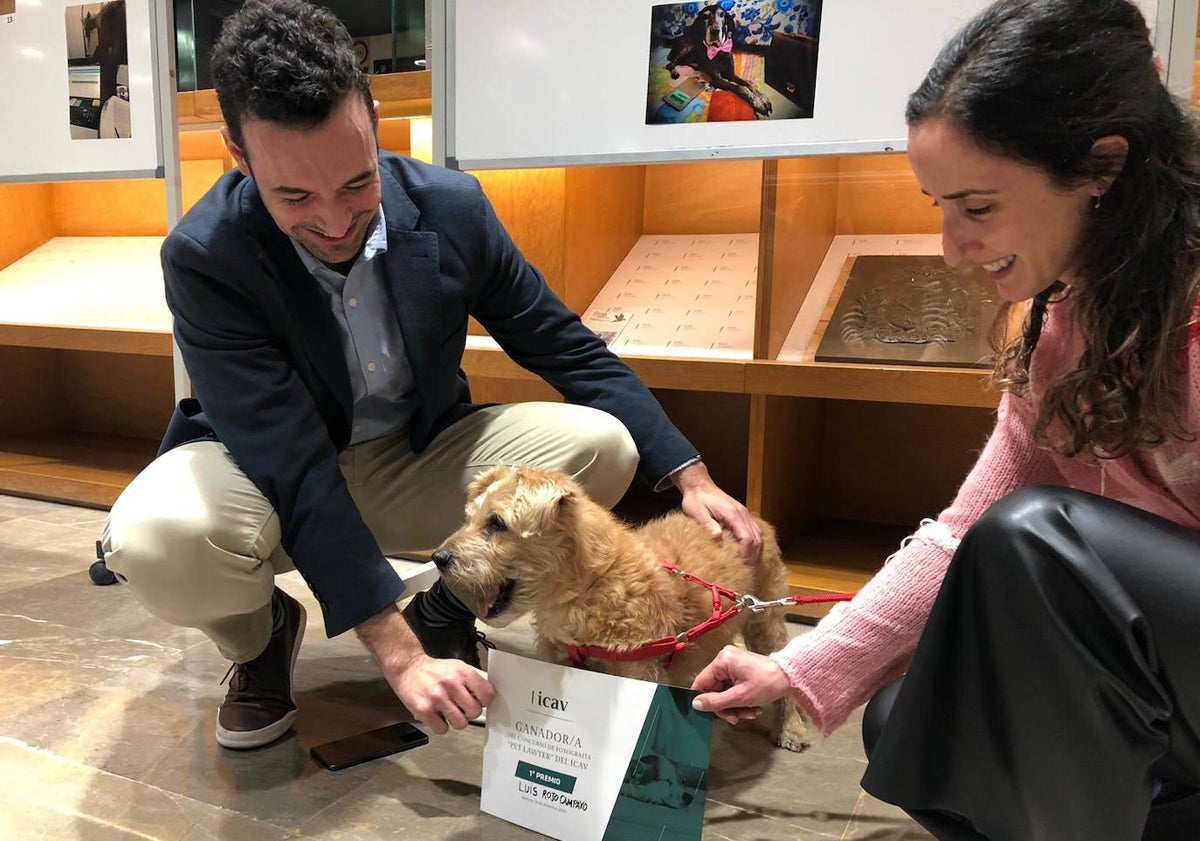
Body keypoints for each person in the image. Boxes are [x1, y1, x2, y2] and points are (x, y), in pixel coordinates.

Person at [100, 0, 761, 752]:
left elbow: (559, 342)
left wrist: (690, 475)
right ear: (238, 155)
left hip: (412, 449)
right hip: (260, 473)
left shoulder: (451, 209)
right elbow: (291, 461)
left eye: (355, 183)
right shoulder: (205, 255)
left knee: (602, 447)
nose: (335, 220)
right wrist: (398, 655)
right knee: (158, 539)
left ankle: (448, 602)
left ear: (374, 119)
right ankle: (257, 641)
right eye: (294, 197)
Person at [691, 0, 1200, 838]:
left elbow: (1026, 545)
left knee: (1038, 536)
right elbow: (961, 532)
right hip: (1166, 682)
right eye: (939, 206)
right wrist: (798, 667)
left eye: (976, 205)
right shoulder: (1067, 323)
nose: (951, 246)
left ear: (1103, 167)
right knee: (915, 719)